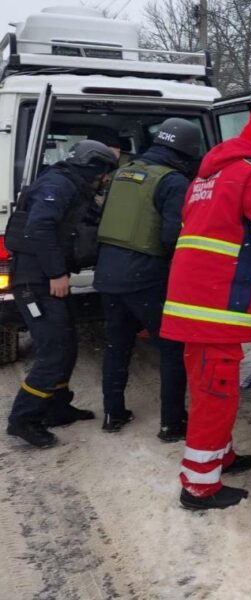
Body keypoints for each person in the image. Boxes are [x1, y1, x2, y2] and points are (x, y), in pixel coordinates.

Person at [160, 108, 251, 510]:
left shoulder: (207, 175)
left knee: (207, 386)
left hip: (193, 300)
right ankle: (199, 486)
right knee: (216, 394)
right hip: (218, 305)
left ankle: (219, 457)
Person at [5, 140, 118, 448]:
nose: (105, 179)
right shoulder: (57, 185)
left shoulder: (72, 185)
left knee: (67, 344)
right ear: (92, 166)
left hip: (47, 278)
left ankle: (56, 406)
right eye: (104, 172)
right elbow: (39, 229)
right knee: (53, 350)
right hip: (35, 281)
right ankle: (23, 419)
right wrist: (56, 273)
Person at [94, 118, 201, 440]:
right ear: (185, 152)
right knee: (172, 347)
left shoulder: (122, 172)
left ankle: (113, 413)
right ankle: (172, 423)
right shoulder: (172, 181)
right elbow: (172, 236)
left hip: (107, 272)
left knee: (117, 344)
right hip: (145, 275)